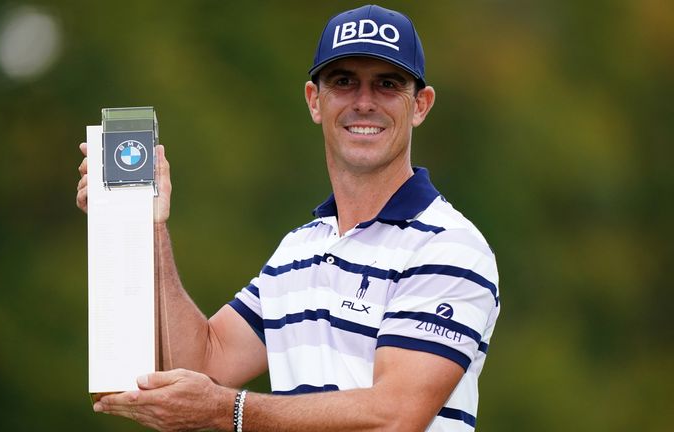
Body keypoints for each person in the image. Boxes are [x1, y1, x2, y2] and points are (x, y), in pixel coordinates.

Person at [76, 4, 499, 431]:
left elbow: (394, 417)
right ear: (315, 101)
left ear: (421, 105)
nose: (364, 102)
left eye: (387, 84)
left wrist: (230, 410)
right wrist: (146, 227)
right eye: (344, 82)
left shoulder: (448, 246)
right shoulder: (299, 249)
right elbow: (202, 363)